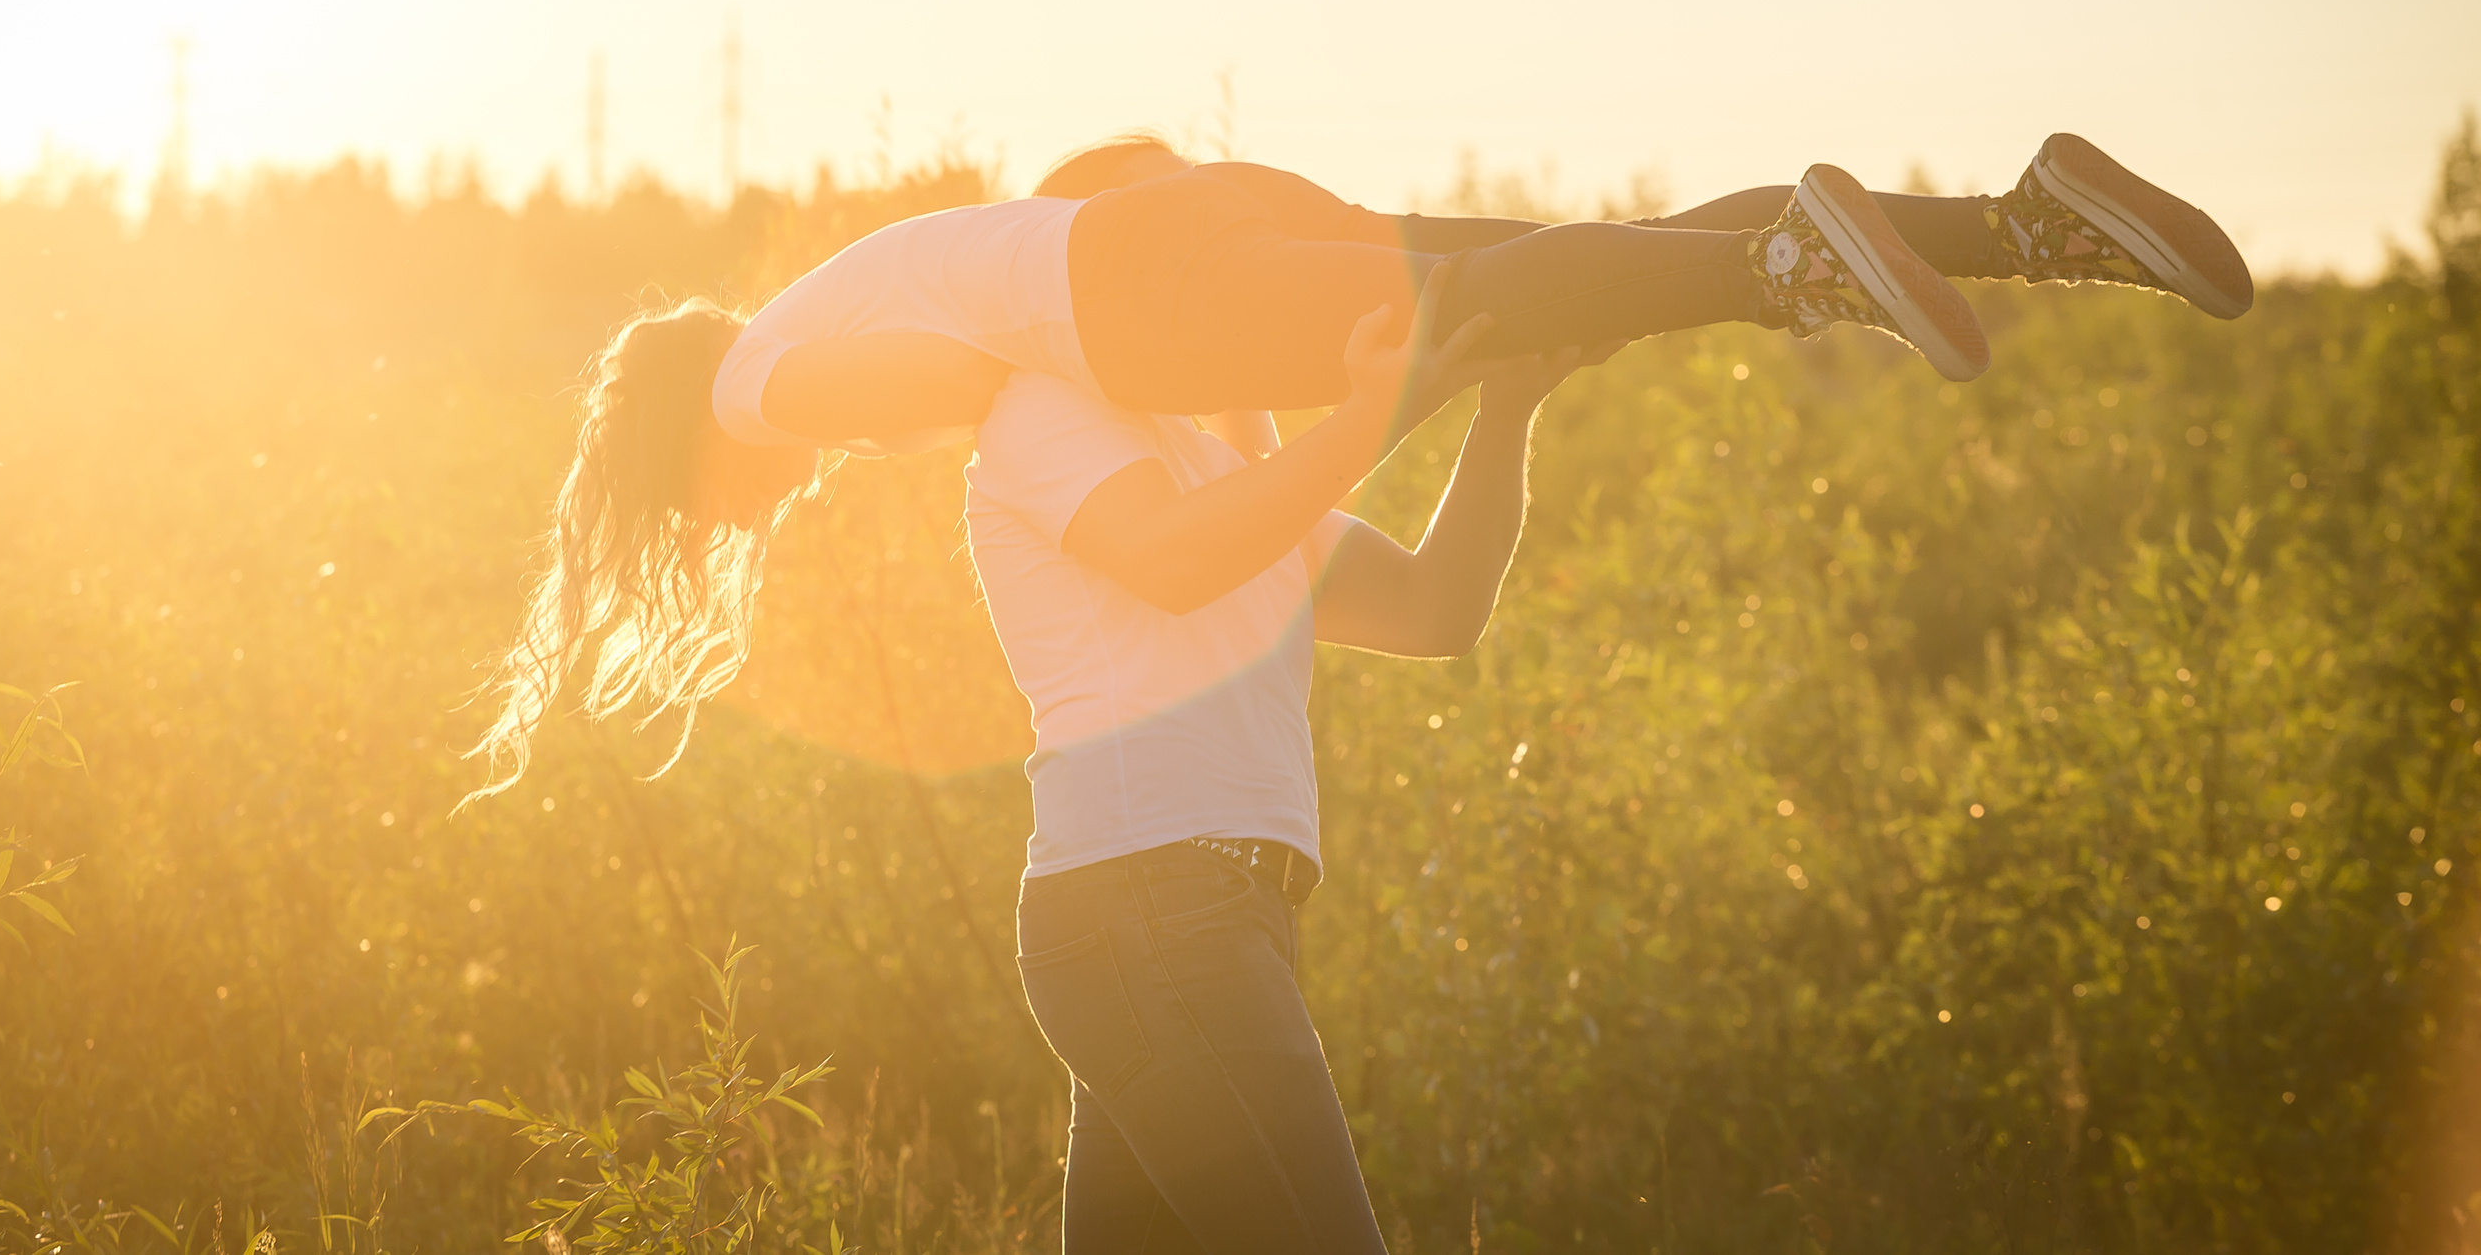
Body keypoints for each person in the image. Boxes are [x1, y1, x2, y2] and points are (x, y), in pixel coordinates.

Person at [463, 133, 2251, 797]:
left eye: (710, 522)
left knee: (1481, 310)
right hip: (1198, 220)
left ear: (674, 456)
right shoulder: (802, 298)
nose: (763, 517)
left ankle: (1787, 267)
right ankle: (2029, 223)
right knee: (1549, 272)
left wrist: (984, 425)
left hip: (1137, 301)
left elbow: (958, 366)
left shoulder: (766, 389)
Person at [970, 253, 1589, 1251]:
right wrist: (1375, 411)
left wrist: (1502, 413)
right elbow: (1176, 563)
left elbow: (1435, 609)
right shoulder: (1046, 415)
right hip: (1151, 909)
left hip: (1206, 916)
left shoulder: (1228, 480)